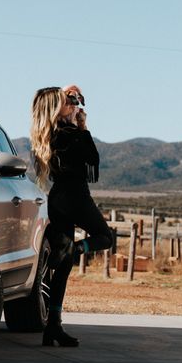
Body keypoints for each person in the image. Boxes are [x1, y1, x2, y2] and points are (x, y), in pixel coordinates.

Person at [31, 85, 112, 347]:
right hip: (75, 196)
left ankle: (53, 326)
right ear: (56, 107)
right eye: (69, 101)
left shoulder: (49, 134)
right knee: (104, 237)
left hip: (58, 200)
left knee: (62, 270)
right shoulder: (68, 133)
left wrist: (72, 108)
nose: (74, 104)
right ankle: (73, 250)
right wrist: (83, 126)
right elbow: (92, 157)